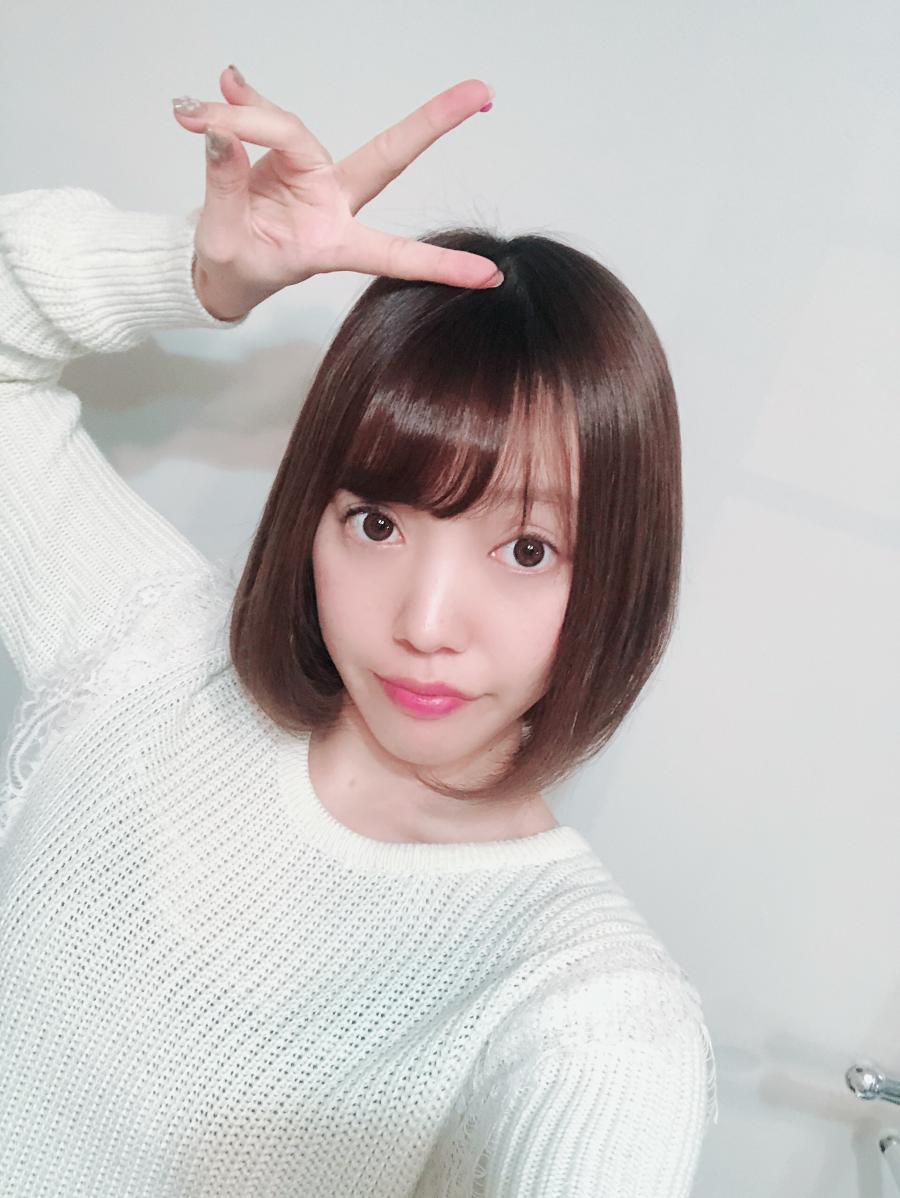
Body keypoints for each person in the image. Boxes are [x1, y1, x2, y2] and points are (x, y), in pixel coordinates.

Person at [0, 68, 717, 1196]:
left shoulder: (588, 1015)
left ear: (623, 570)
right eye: (377, 522)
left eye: (528, 550)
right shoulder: (145, 647)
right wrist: (204, 273)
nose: (423, 626)